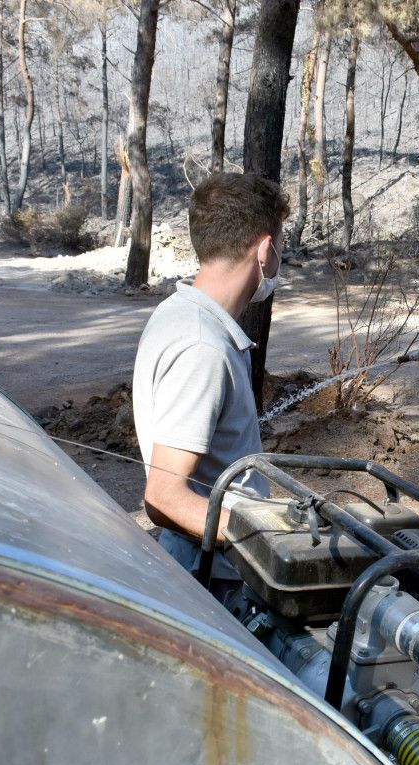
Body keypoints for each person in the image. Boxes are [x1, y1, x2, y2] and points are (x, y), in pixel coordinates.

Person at [132, 172, 290, 594]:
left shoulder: (182, 313)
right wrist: (273, 543)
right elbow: (164, 496)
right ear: (264, 249)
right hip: (216, 575)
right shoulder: (202, 345)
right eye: (280, 241)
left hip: (210, 561)